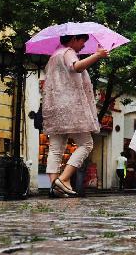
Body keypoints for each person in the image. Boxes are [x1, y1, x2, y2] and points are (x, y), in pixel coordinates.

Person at [42, 34, 107, 198]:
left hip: (54, 107)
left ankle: (55, 187)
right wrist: (98, 55)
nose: (83, 46)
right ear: (73, 39)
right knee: (86, 144)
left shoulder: (53, 57)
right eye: (82, 42)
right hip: (71, 107)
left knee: (56, 149)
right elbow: (76, 67)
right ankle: (63, 179)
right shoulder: (68, 52)